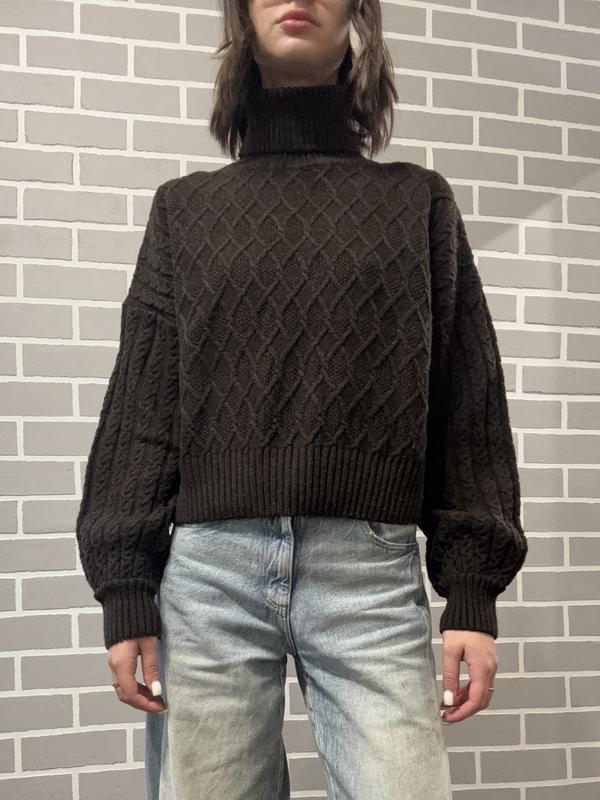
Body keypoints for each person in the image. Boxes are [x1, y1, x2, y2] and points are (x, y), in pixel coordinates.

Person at [75, 0, 528, 797]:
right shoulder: (185, 210)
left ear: (359, 15)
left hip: (369, 577)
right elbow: (142, 407)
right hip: (207, 580)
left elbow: (468, 402)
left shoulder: (417, 202)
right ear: (240, 16)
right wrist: (126, 589)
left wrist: (471, 593)